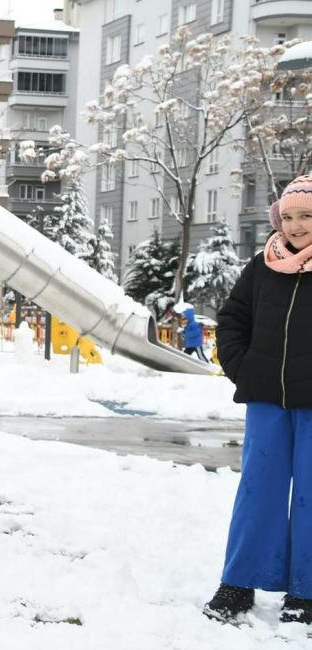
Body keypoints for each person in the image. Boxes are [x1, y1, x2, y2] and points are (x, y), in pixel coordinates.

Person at [203, 174, 312, 625]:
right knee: (257, 491)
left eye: (305, 216)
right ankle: (239, 582)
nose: (295, 226)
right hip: (266, 399)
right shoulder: (263, 265)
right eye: (287, 217)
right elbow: (231, 319)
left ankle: (305, 592)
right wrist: (242, 367)